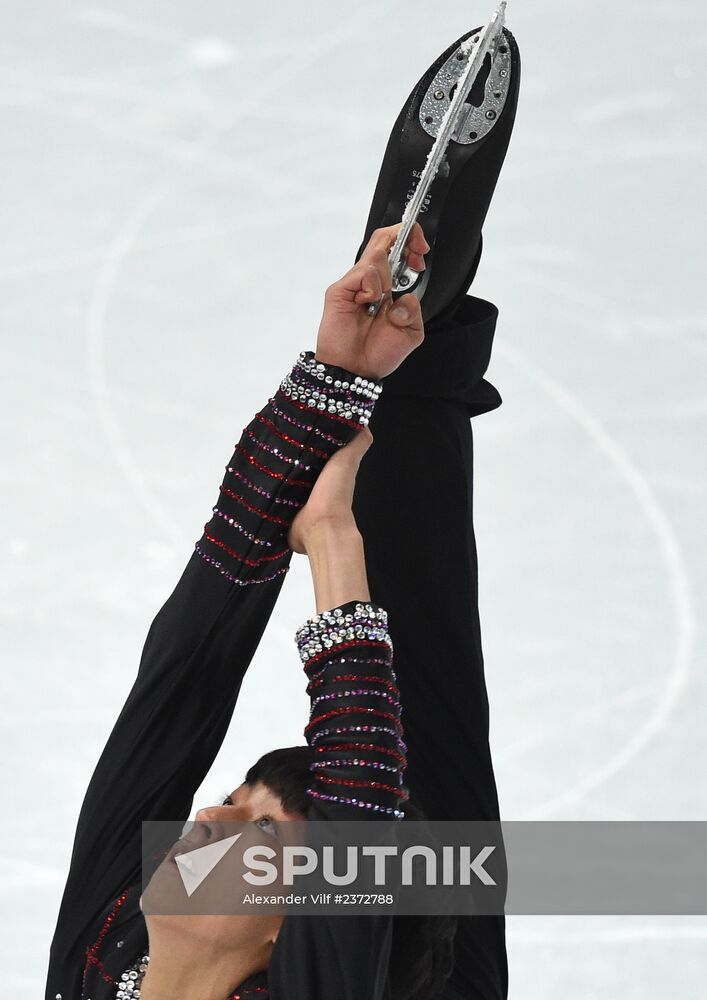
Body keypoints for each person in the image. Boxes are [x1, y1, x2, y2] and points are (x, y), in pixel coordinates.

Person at [46, 222, 466, 1000]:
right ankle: (427, 385)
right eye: (247, 809)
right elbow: (188, 669)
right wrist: (331, 381)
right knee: (442, 696)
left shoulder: (93, 965)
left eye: (262, 832)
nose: (208, 813)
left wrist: (335, 532)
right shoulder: (108, 949)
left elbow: (356, 807)